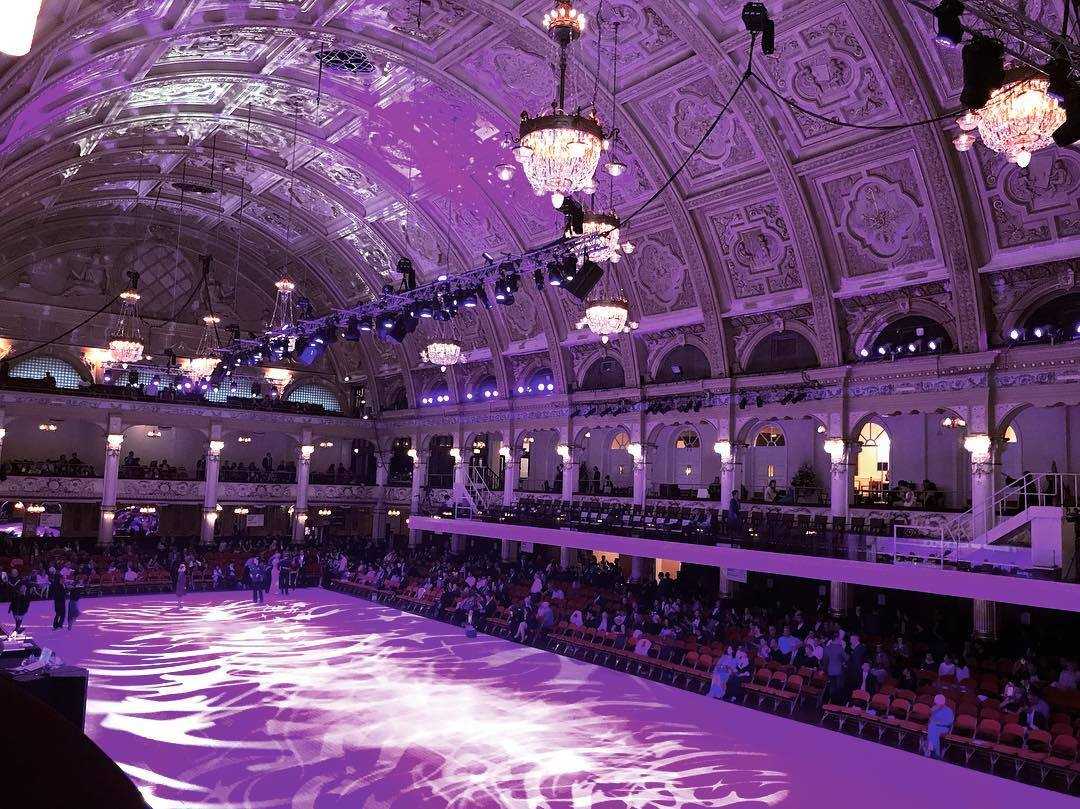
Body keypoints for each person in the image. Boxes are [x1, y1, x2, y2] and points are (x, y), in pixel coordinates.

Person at [926, 694, 954, 758]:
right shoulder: (934, 708)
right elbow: (930, 719)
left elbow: (949, 723)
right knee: (933, 728)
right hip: (934, 727)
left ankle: (930, 750)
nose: (937, 704)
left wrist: (938, 723)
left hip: (944, 728)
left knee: (933, 729)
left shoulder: (949, 711)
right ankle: (936, 753)